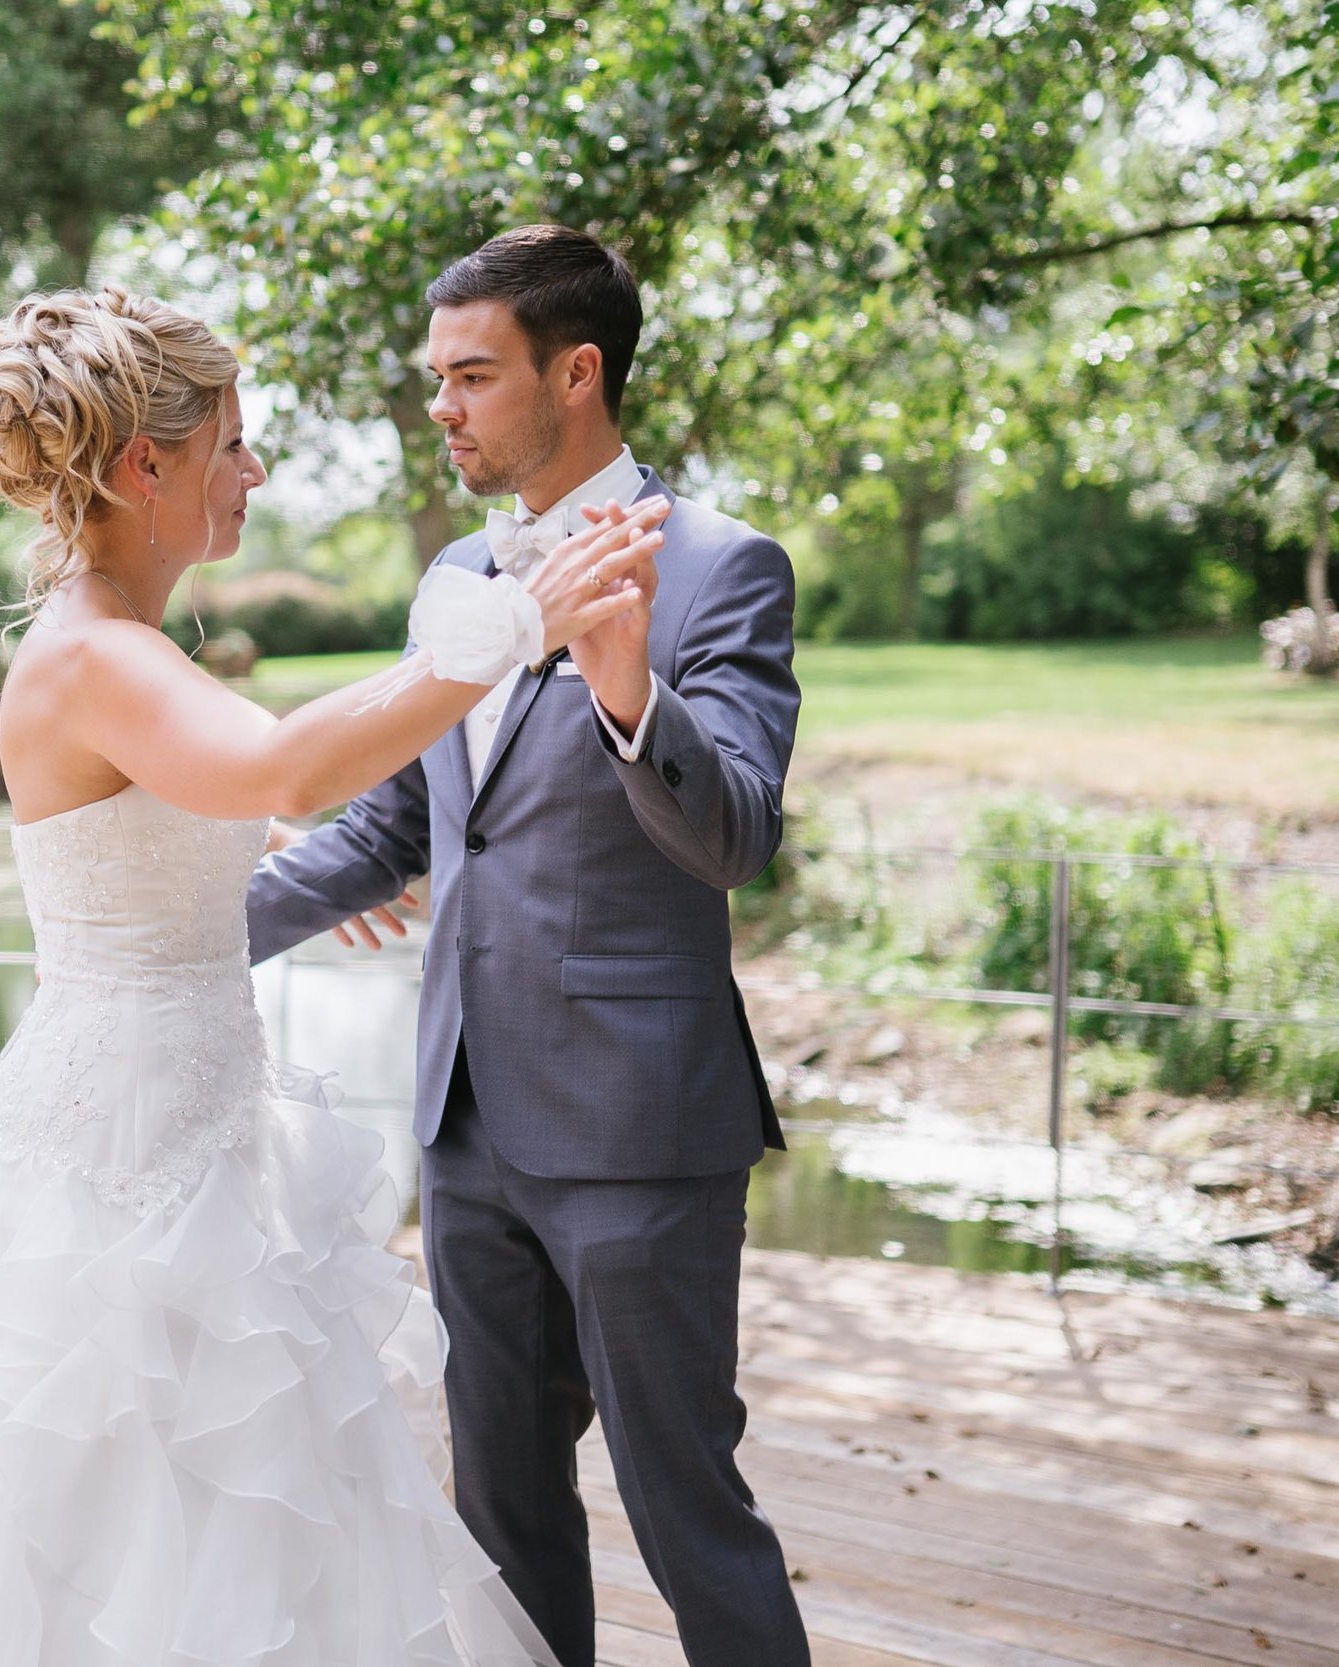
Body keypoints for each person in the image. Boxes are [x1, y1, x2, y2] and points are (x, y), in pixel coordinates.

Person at [0, 284, 663, 1667]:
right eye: (231, 443)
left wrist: (245, 835)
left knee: (232, 1499)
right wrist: (510, 627)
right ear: (142, 465)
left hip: (202, 1137)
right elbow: (282, 757)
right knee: (97, 1501)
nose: (255, 469)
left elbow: (208, 786)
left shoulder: (125, 650)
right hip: (113, 1161)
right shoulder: (95, 653)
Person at [247, 225, 811, 1667]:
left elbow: (735, 837)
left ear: (577, 373)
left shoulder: (725, 572)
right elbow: (392, 834)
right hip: (465, 1126)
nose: (441, 407)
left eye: (472, 375)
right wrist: (179, 926)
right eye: (436, 377)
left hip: (637, 1124)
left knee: (687, 1503)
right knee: (497, 1514)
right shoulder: (455, 572)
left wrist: (632, 700)